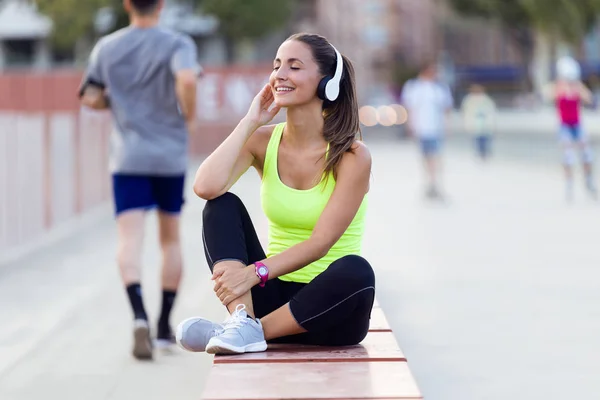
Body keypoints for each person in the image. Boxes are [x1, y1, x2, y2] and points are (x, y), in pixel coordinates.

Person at [175, 33, 375, 355]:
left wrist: (254, 273)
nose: (279, 75)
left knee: (357, 270)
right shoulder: (264, 141)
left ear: (327, 83)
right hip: (273, 298)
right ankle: (242, 321)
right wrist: (250, 121)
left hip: (331, 311)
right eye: (277, 65)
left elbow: (320, 244)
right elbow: (205, 187)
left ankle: (247, 331)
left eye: (294, 67)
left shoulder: (352, 156)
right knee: (220, 206)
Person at [78, 0, 200, 360]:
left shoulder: (107, 46)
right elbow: (188, 78)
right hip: (169, 156)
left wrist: (116, 104)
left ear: (127, 4)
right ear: (161, 5)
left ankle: (138, 316)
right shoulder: (178, 43)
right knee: (170, 239)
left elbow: (89, 95)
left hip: (127, 156)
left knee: (129, 238)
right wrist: (188, 116)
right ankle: (163, 328)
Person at [545, 56, 597, 202]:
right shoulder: (557, 87)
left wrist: (579, 90)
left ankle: (588, 180)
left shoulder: (578, 87)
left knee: (587, 154)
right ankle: (569, 184)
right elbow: (547, 95)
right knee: (568, 156)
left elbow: (589, 99)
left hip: (577, 125)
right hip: (564, 126)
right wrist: (560, 89)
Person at [401, 62, 454, 200]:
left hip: (436, 128)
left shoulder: (440, 88)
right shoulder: (413, 87)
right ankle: (430, 182)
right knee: (425, 157)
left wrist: (447, 126)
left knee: (435, 156)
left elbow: (446, 108)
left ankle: (434, 182)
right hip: (421, 128)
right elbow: (409, 108)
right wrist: (410, 126)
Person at [460, 83, 497, 161]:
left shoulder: (486, 99)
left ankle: (485, 153)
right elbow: (466, 112)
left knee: (485, 139)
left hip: (485, 123)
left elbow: (491, 111)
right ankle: (479, 153)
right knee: (477, 139)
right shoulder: (469, 100)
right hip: (475, 124)